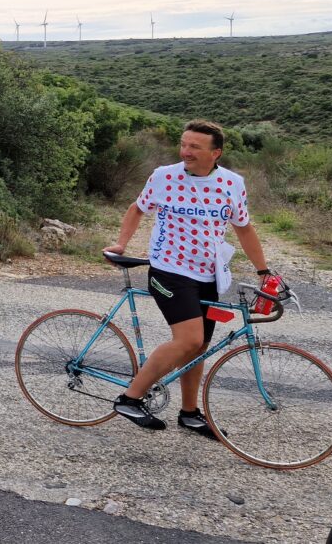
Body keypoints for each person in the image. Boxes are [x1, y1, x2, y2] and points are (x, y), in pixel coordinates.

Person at [102, 119, 274, 438]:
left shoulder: (233, 183)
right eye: (183, 144)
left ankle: (190, 413)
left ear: (216, 153)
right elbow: (137, 208)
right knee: (189, 339)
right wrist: (121, 243)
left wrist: (264, 271)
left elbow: (244, 228)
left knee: (200, 348)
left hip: (208, 274)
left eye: (195, 146)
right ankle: (130, 398)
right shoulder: (164, 177)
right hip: (168, 270)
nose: (186, 151)